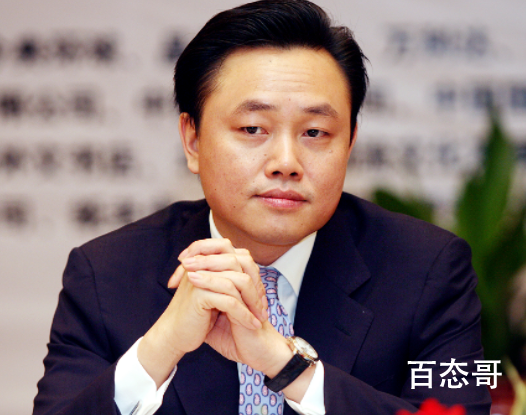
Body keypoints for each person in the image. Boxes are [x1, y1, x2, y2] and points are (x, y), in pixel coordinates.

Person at [33, 1, 492, 414]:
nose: (286, 162)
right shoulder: (106, 274)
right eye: (253, 128)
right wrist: (160, 347)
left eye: (315, 133)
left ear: (350, 142)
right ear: (192, 140)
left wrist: (284, 365)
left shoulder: (428, 270)